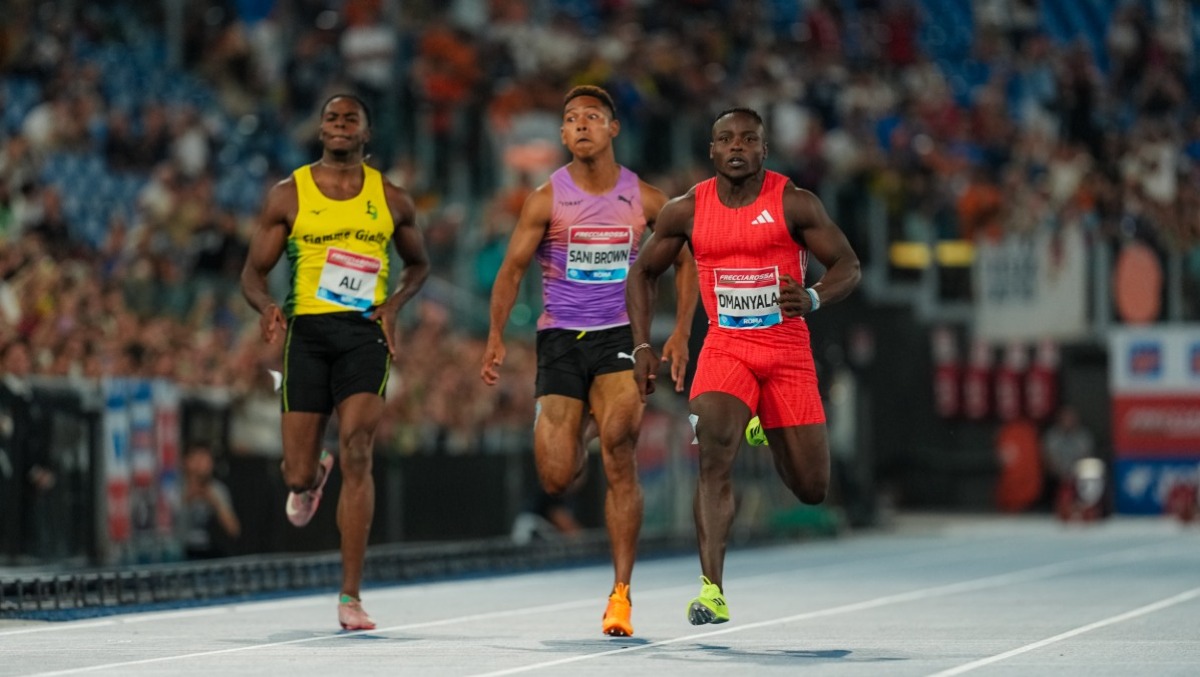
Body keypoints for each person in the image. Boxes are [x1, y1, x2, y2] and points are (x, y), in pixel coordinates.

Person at [626, 107, 861, 625]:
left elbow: (849, 264)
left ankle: (763, 423)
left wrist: (816, 297)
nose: (736, 147)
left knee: (811, 487)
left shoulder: (795, 203)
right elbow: (642, 273)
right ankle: (712, 589)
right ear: (711, 150)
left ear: (763, 150)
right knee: (713, 449)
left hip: (786, 353)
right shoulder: (686, 211)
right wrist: (642, 345)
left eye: (748, 139)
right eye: (725, 139)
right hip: (726, 349)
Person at [480, 85, 698, 637]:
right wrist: (496, 336)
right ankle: (586, 423)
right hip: (559, 339)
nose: (581, 126)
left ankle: (620, 594)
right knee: (557, 476)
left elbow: (688, 257)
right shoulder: (545, 198)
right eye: (571, 119)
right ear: (561, 135)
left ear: (613, 129)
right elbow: (510, 270)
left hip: (619, 336)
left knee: (621, 449)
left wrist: (680, 334)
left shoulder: (645, 199)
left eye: (592, 118)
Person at [240, 93, 430, 630]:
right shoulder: (288, 195)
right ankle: (311, 476)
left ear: (366, 132)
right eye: (331, 117)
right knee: (296, 473)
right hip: (306, 334)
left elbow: (419, 265)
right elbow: (252, 273)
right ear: (320, 130)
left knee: (359, 450)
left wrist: (394, 304)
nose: (340, 125)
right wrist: (266, 306)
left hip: (365, 333)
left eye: (351, 118)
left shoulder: (391, 199)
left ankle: (350, 596)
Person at [182, 443, 241, 559]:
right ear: (187, 461)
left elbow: (234, 529)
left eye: (207, 460)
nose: (203, 464)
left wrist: (214, 502)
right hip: (181, 552)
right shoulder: (176, 487)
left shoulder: (217, 490)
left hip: (210, 552)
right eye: (198, 459)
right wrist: (186, 499)